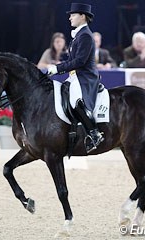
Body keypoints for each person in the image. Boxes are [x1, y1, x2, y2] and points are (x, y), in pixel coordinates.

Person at [47, 3, 104, 153]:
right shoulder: (79, 35)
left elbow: (79, 61)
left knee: (76, 101)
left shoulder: (85, 35)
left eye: (73, 14)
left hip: (84, 76)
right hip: (75, 76)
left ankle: (94, 134)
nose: (70, 17)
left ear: (82, 16)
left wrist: (57, 68)